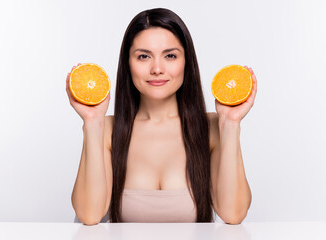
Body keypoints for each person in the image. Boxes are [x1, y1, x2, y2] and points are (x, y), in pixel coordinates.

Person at [66, 8, 257, 225]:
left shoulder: (212, 128)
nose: (157, 68)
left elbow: (234, 214)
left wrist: (230, 124)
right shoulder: (107, 130)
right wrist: (92, 122)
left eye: (170, 56)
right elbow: (89, 215)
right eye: (143, 56)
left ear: (187, 62)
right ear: (128, 64)